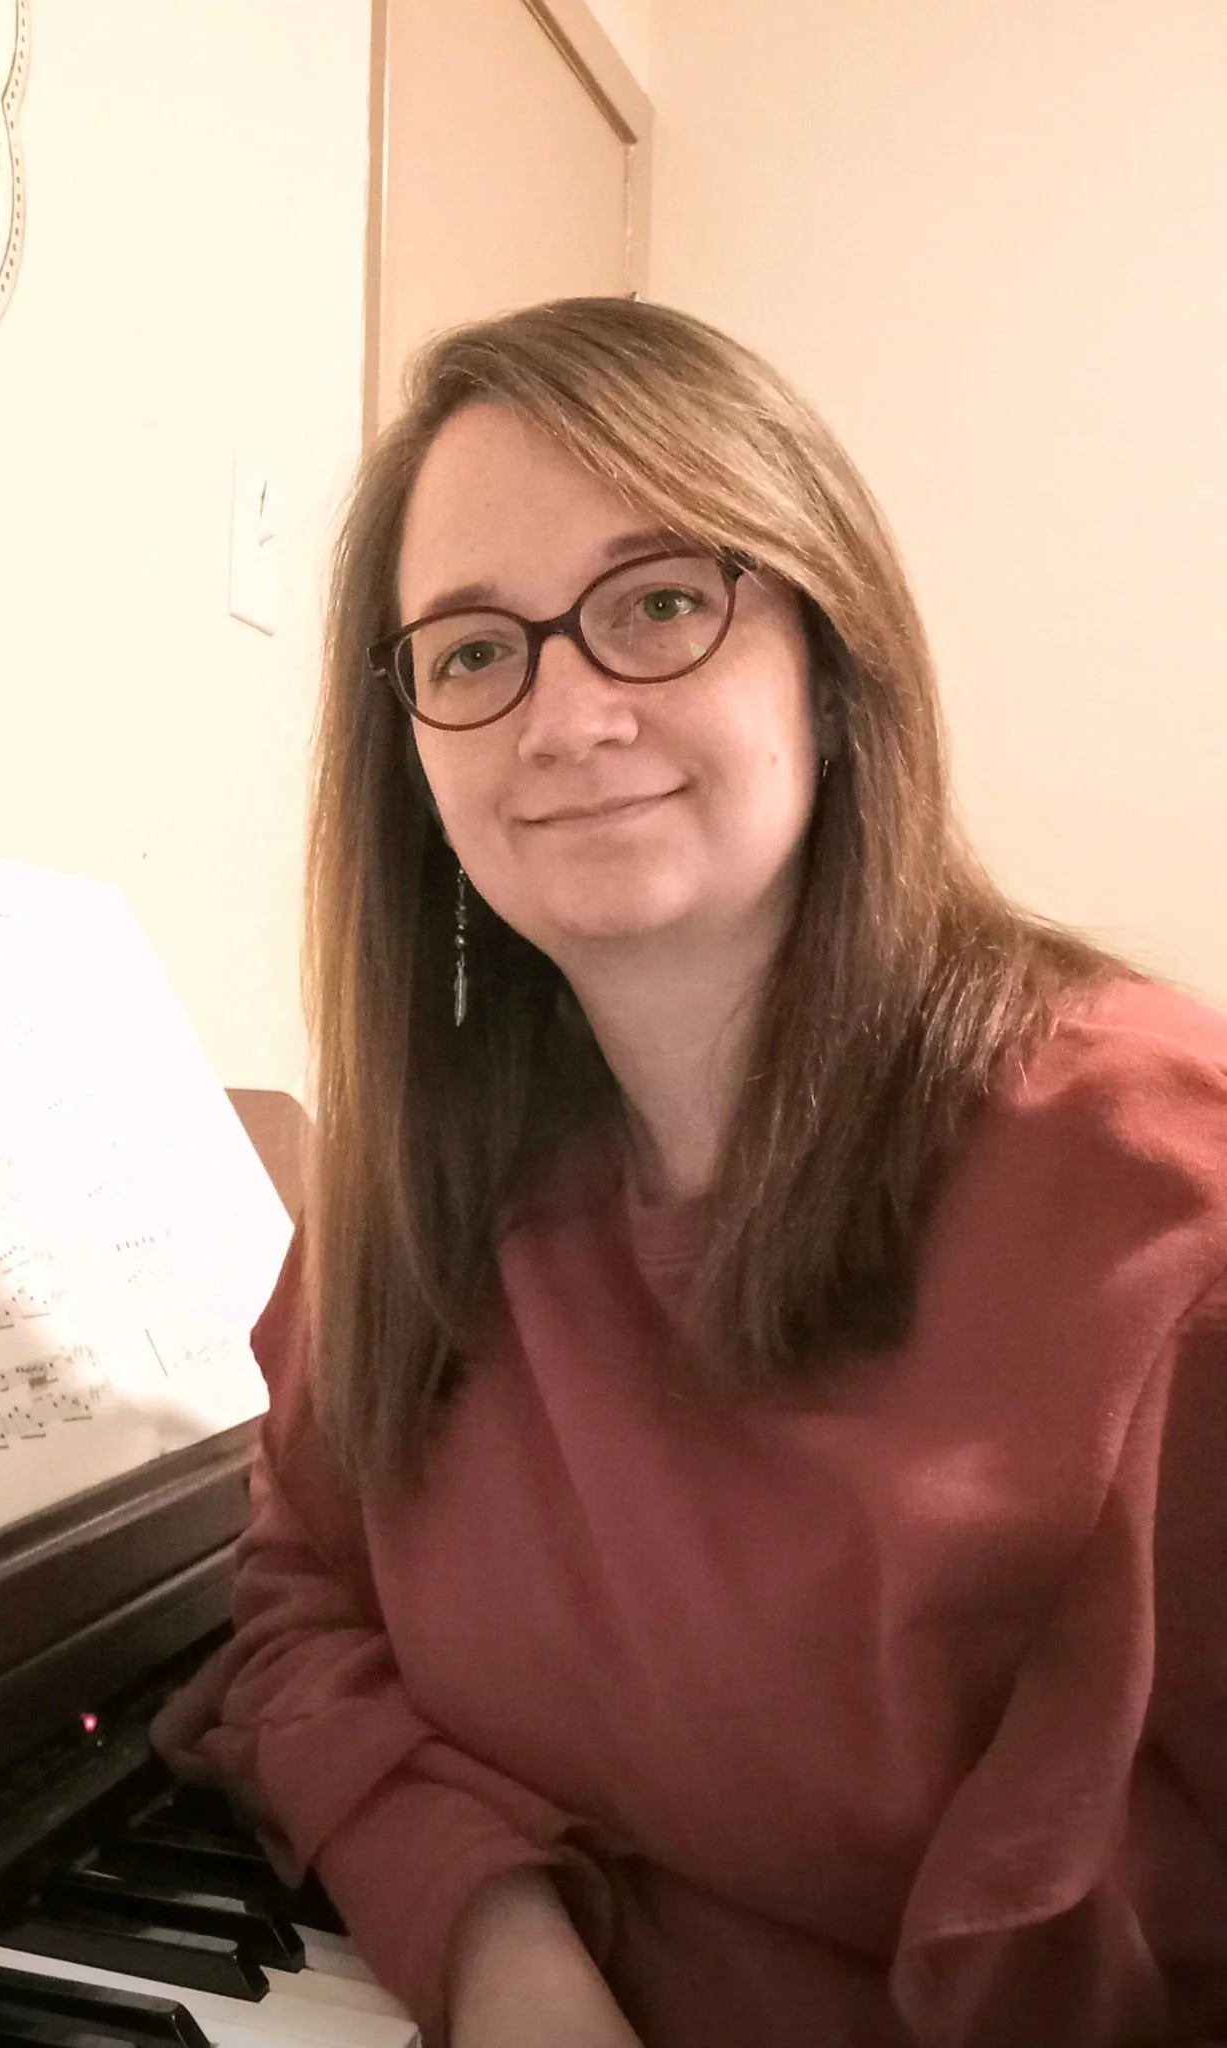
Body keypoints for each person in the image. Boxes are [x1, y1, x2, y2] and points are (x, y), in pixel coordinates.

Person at [156, 300, 1227, 2047]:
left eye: (658, 604)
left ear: (831, 664)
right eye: (474, 651)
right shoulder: (420, 1199)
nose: (565, 717)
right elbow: (296, 1606)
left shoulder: (1173, 1205)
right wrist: (500, 1942)